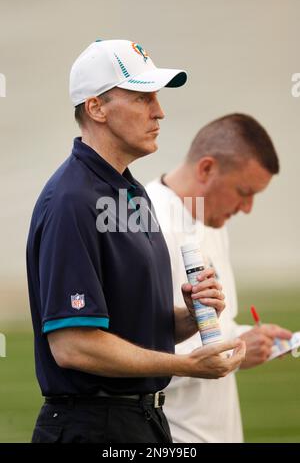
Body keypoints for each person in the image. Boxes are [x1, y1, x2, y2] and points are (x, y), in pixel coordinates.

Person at [26, 40, 246, 444]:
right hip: (92, 427)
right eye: (143, 98)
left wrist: (193, 315)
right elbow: (74, 346)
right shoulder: (72, 200)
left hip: (140, 419)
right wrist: (187, 365)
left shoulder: (130, 192)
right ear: (96, 108)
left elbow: (134, 327)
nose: (159, 111)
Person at [146, 113, 292, 443]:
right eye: (244, 191)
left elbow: (213, 332)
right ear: (207, 168)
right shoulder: (145, 223)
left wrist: (246, 339)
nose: (248, 208)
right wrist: (237, 351)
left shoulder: (211, 221)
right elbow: (131, 356)